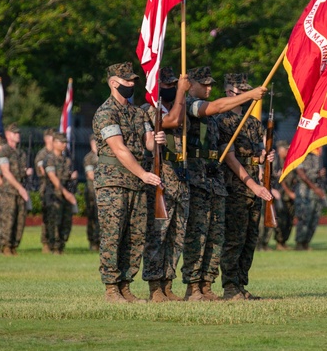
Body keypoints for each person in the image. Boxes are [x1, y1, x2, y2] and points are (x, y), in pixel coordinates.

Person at [179, 66, 265, 301]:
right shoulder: (191, 105)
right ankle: (194, 287)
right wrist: (251, 95)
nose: (208, 88)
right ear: (190, 85)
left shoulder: (225, 120)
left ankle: (206, 286)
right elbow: (216, 108)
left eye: (210, 84)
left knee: (215, 238)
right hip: (198, 179)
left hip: (213, 180)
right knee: (199, 236)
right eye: (204, 84)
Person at [92, 62, 164, 303]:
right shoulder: (105, 112)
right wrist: (143, 174)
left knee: (135, 236)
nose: (132, 85)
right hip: (113, 183)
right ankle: (111, 288)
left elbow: (148, 144)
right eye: (127, 81)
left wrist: (158, 138)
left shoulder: (138, 112)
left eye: (134, 80)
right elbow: (119, 149)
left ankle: (125, 285)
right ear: (114, 83)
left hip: (136, 184)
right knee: (114, 235)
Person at [216, 73, 274, 300]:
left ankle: (241, 284)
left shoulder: (253, 122)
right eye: (242, 92)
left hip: (254, 187)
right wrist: (252, 185)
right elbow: (230, 158)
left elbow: (257, 154)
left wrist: (264, 158)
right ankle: (230, 287)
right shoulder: (222, 120)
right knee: (234, 239)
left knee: (250, 239)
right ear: (230, 92)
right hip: (235, 188)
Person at [142, 66, 191, 302]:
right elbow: (172, 121)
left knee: (176, 235)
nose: (172, 89)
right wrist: (181, 92)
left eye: (175, 85)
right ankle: (154, 286)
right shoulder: (150, 110)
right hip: (161, 180)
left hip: (180, 179)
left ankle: (168, 284)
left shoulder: (178, 106)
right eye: (168, 85)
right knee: (158, 235)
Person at [0, 123, 30, 256]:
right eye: (15, 133)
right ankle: (6, 246)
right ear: (8, 135)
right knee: (8, 219)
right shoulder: (4, 151)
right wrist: (20, 189)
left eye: (18, 133)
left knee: (20, 220)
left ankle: (14, 245)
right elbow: (6, 172)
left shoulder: (21, 153)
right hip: (9, 190)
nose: (18, 135)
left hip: (20, 190)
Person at [43, 129, 78, 254]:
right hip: (54, 195)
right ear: (54, 143)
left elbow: (66, 177)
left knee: (66, 221)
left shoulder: (67, 160)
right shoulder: (49, 159)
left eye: (65, 142)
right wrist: (66, 193)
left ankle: (62, 245)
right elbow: (52, 177)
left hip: (65, 194)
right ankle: (54, 247)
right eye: (61, 142)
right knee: (54, 222)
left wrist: (71, 176)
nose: (64, 144)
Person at [293, 149, 326, 251]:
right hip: (304, 192)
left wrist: (321, 174)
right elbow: (301, 174)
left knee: (314, 217)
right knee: (304, 217)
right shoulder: (299, 156)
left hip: (316, 190)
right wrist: (315, 188)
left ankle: (306, 242)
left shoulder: (316, 156)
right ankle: (299, 243)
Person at [272, 141, 298, 250]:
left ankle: (284, 242)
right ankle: (279, 242)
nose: (287, 151)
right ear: (280, 149)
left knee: (289, 220)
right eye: (285, 149)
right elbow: (279, 180)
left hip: (290, 197)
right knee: (281, 220)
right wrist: (289, 192)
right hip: (280, 195)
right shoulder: (275, 162)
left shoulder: (290, 161)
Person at [34, 128, 54, 253]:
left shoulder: (58, 154)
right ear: (46, 139)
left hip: (57, 189)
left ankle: (55, 241)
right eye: (53, 137)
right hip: (46, 188)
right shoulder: (42, 155)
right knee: (47, 217)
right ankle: (46, 242)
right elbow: (42, 171)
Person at [84, 140, 100, 251]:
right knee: (93, 217)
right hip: (92, 191)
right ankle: (93, 241)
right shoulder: (89, 158)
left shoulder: (103, 155)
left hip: (102, 191)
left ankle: (100, 241)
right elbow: (90, 175)